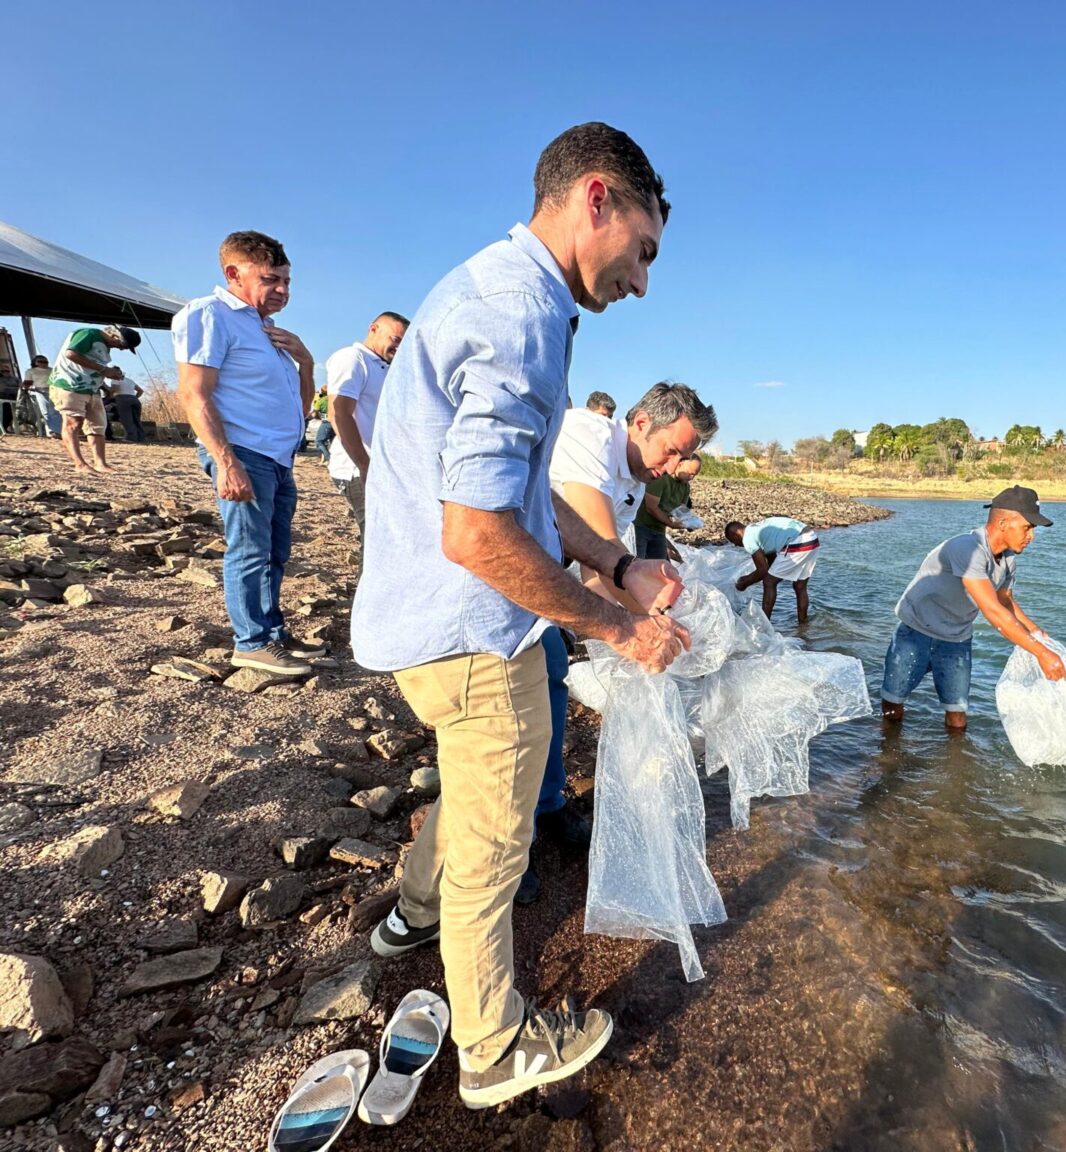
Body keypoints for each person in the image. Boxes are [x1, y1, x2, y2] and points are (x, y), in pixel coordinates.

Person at [354, 122, 689, 1110]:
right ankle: (496, 1049)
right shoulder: (522, 314)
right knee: (498, 855)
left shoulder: (495, 288)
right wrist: (618, 626)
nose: (642, 281)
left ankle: (410, 914)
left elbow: (522, 500)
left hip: (424, 626)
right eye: (645, 251)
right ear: (597, 199)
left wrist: (618, 561)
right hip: (473, 633)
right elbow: (477, 533)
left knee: (474, 792)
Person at [523, 383, 716, 904]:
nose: (674, 464)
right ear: (638, 424)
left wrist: (661, 627)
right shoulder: (589, 434)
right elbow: (602, 555)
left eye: (686, 455)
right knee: (510, 715)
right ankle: (509, 849)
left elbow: (602, 574)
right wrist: (645, 626)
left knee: (555, 680)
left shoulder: (632, 479)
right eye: (671, 449)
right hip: (502, 582)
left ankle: (548, 806)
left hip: (541, 590)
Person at [173, 230, 321, 677]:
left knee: (275, 549)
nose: (282, 291)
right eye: (271, 279)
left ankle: (272, 633)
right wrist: (226, 461)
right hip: (244, 453)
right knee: (250, 549)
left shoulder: (264, 329)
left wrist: (307, 363)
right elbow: (193, 394)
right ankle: (251, 641)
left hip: (276, 458)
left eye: (288, 282)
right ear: (233, 273)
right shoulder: (209, 315)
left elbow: (301, 406)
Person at [880, 486, 1066, 731]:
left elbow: (1004, 600)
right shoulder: (967, 549)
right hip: (915, 633)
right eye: (1027, 527)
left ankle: (956, 765)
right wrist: (1041, 653)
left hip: (956, 640)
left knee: (957, 718)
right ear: (1003, 523)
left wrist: (1034, 631)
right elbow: (992, 610)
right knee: (893, 706)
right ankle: (887, 756)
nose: (1031, 536)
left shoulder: (1008, 559)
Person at [325, 312, 410, 545]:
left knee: (388, 539)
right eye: (396, 339)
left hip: (380, 467)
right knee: (377, 540)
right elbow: (339, 413)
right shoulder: (353, 359)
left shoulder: (384, 368)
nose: (399, 347)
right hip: (358, 469)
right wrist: (364, 465)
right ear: (374, 328)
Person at [48, 325, 140, 473]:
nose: (120, 349)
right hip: (70, 384)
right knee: (73, 422)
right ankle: (80, 463)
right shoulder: (88, 334)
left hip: (92, 388)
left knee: (97, 426)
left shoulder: (104, 346)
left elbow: (92, 365)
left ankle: (100, 463)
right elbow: (71, 354)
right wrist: (104, 370)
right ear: (115, 336)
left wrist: (110, 373)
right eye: (122, 346)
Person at [726, 515, 820, 623]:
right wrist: (750, 577)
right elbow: (771, 564)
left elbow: (762, 571)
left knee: (769, 582)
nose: (736, 545)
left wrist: (744, 583)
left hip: (799, 542)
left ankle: (765, 626)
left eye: (733, 542)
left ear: (736, 535)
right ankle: (803, 625)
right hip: (812, 539)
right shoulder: (756, 530)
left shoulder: (747, 539)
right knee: (800, 586)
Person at [633, 453, 700, 561]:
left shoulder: (685, 487)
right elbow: (651, 507)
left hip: (659, 530)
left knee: (661, 566)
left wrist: (690, 522)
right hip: (641, 527)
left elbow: (681, 510)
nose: (692, 477)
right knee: (638, 564)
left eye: (694, 475)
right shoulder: (662, 479)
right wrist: (671, 524)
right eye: (689, 473)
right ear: (680, 465)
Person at [21, 355, 61, 438]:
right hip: (39, 391)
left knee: (56, 411)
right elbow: (27, 383)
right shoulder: (30, 371)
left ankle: (58, 431)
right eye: (40, 361)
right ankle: (51, 431)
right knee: (45, 411)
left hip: (53, 390)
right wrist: (24, 390)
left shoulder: (52, 370)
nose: (43, 363)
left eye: (45, 362)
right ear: (35, 363)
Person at [110, 377, 147, 442]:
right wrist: (134, 398)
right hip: (134, 399)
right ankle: (141, 437)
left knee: (126, 419)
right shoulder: (129, 380)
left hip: (122, 398)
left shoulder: (115, 378)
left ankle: (131, 437)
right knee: (136, 420)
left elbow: (114, 389)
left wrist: (108, 391)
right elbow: (140, 391)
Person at [310, 388, 334, 463]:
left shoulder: (321, 401)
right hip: (336, 423)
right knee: (332, 442)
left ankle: (328, 458)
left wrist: (318, 417)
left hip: (326, 422)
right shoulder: (334, 398)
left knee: (319, 441)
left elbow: (314, 414)